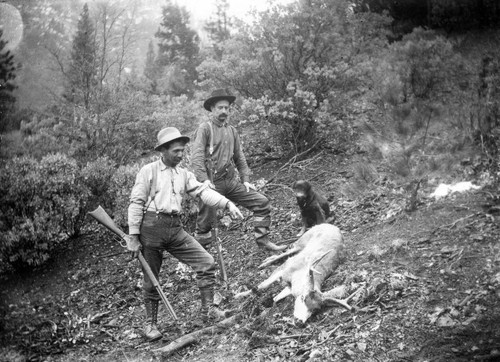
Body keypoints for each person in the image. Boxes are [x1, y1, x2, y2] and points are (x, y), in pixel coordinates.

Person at [126, 127, 243, 342]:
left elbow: (203, 192)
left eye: (182, 150)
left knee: (206, 262)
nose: (180, 155)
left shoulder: (184, 174)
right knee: (152, 279)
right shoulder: (148, 171)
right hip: (151, 229)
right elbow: (136, 203)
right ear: (163, 150)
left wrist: (227, 204)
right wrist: (133, 237)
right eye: (176, 151)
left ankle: (209, 311)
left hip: (175, 228)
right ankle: (150, 324)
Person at [190, 88, 286, 252]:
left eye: (227, 108)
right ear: (212, 109)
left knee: (262, 203)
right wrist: (204, 180)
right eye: (220, 108)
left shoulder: (232, 130)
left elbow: (239, 157)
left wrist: (246, 180)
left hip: (230, 182)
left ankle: (263, 241)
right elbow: (196, 156)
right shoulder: (205, 129)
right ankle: (200, 259)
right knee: (205, 223)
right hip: (212, 184)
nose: (224, 111)